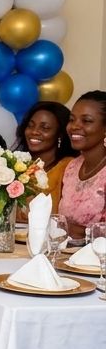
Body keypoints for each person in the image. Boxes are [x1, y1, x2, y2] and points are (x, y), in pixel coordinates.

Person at [60, 91, 106, 241]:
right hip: (67, 253)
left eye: (86, 121)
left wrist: (80, 232)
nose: (74, 126)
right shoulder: (72, 167)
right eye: (72, 120)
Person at [13, 101, 76, 210]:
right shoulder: (17, 165)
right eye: (30, 125)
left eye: (45, 128)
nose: (34, 132)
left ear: (60, 134)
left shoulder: (69, 167)